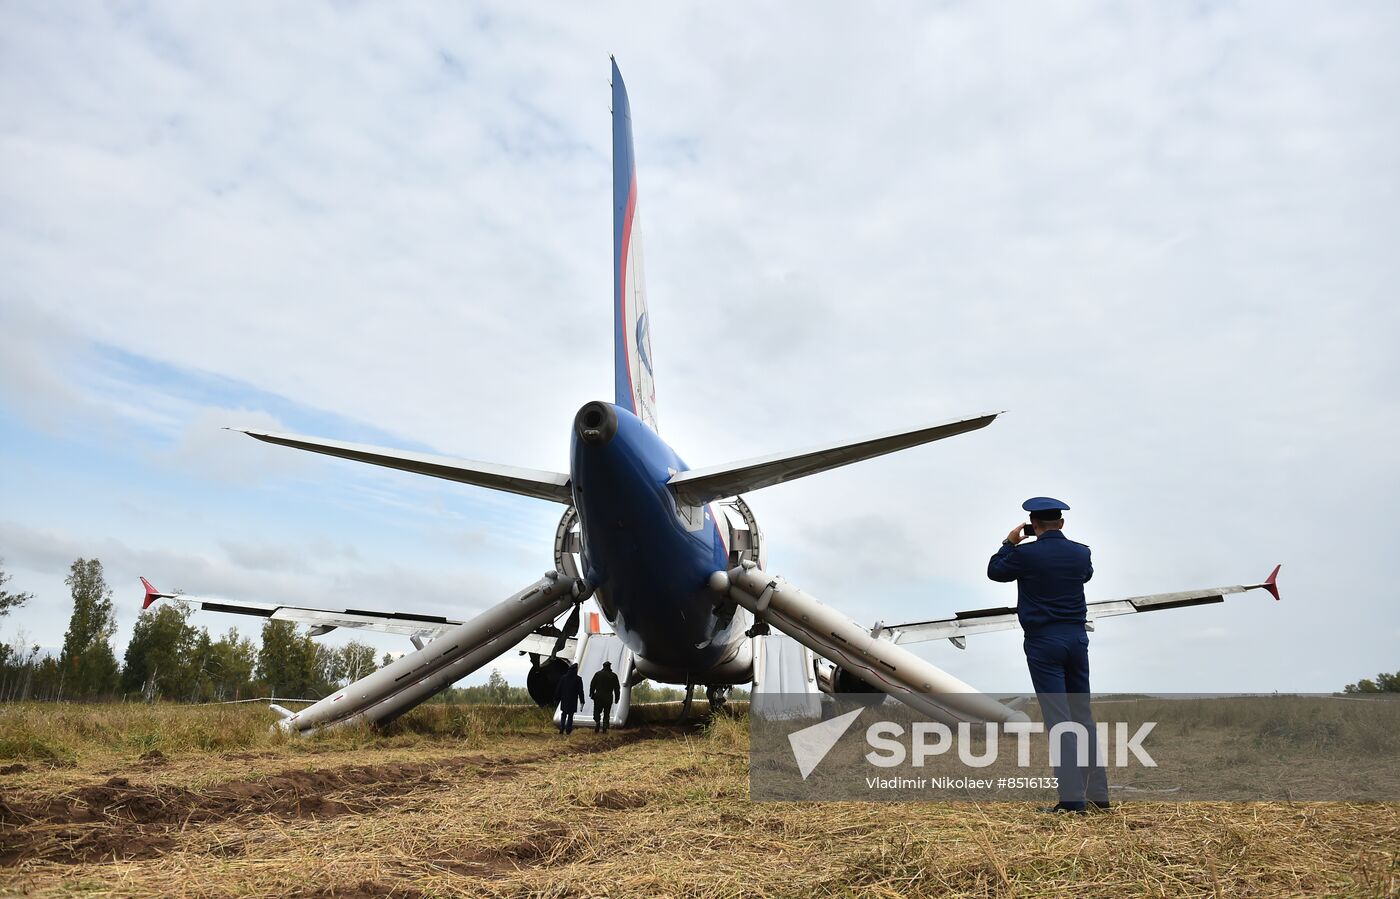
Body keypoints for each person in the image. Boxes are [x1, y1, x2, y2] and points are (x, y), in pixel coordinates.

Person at [987, 496, 1109, 814]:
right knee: (1083, 716)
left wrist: (1009, 543)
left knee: (1059, 720)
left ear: (1033, 524)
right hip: (1076, 639)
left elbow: (995, 572)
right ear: (1062, 523)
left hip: (1043, 641)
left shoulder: (1025, 554)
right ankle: (1099, 795)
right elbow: (1085, 575)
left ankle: (1072, 801)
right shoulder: (1081, 552)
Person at [589, 661, 621, 732]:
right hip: (608, 697)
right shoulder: (614, 676)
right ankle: (604, 726)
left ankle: (597, 721)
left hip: (598, 697)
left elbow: (592, 685)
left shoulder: (598, 674)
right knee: (607, 712)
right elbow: (617, 688)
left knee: (597, 711)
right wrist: (617, 698)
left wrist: (591, 694)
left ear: (603, 666)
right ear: (610, 666)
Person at [554, 662, 585, 735]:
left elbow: (559, 689)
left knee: (564, 714)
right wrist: (582, 701)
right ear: (575, 669)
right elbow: (581, 691)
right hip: (573, 700)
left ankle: (562, 728)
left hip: (564, 699)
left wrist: (556, 698)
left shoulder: (563, 677)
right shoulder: (578, 679)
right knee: (570, 715)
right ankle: (568, 730)